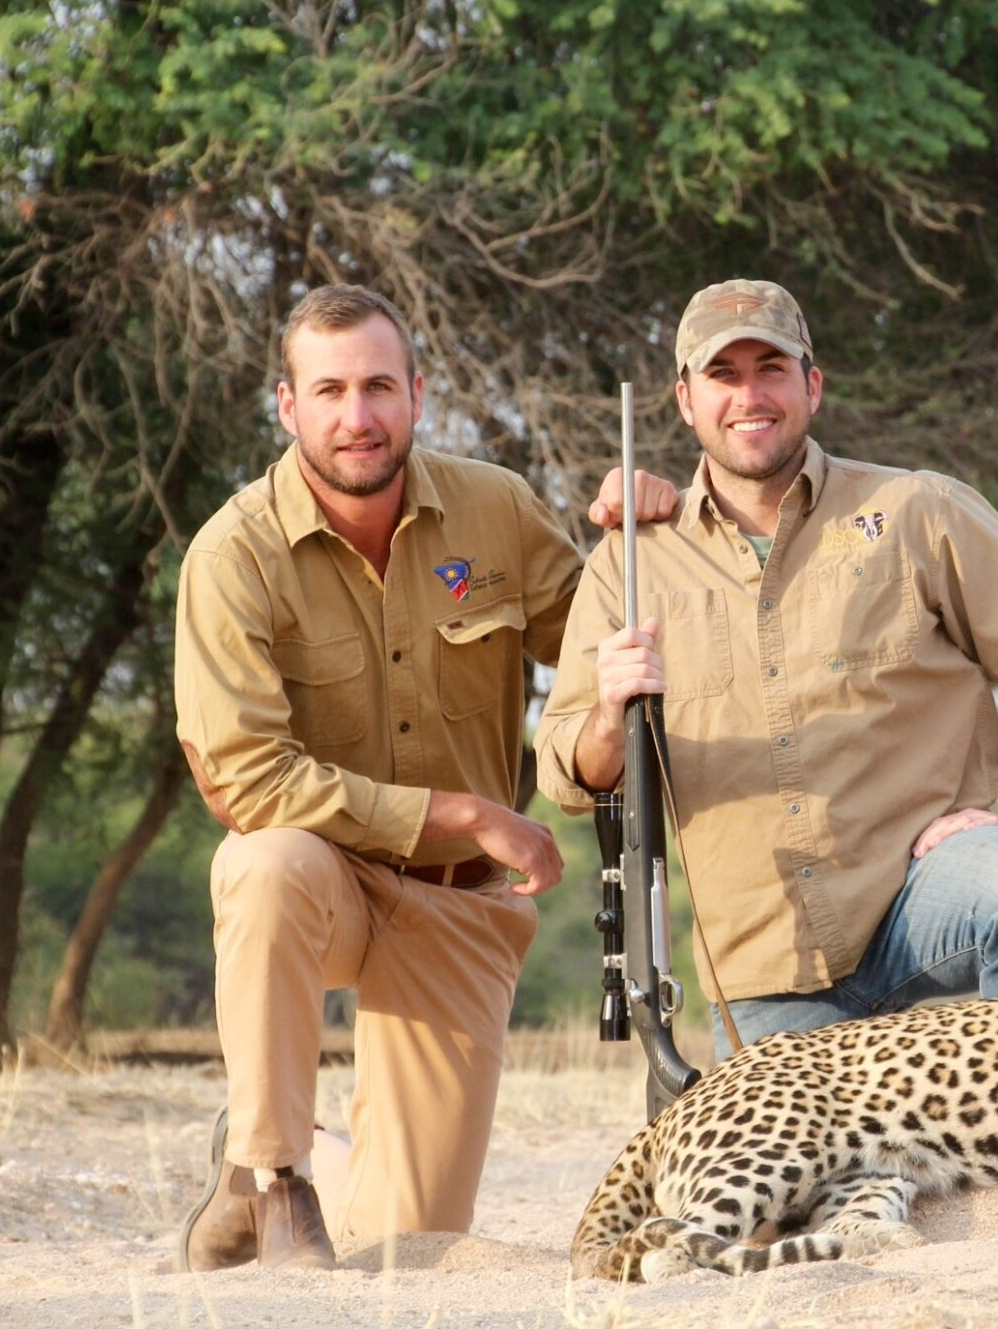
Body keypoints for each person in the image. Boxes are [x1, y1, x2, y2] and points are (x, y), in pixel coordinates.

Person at [173, 284, 675, 1271]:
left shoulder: (496, 508)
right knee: (262, 864)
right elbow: (242, 780)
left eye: (377, 386)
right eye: (328, 391)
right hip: (325, 877)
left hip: (458, 905)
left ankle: (262, 1150)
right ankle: (276, 1177)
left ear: (418, 392)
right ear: (287, 404)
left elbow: (601, 638)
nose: (355, 417)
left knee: (409, 1239)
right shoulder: (232, 552)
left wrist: (647, 532)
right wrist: (464, 811)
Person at [534, 278, 998, 1061]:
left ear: (812, 384)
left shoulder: (918, 509)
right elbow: (568, 771)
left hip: (927, 901)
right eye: (723, 375)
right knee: (819, 1181)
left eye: (771, 369)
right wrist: (612, 711)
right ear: (684, 400)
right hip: (766, 969)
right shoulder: (633, 561)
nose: (750, 395)